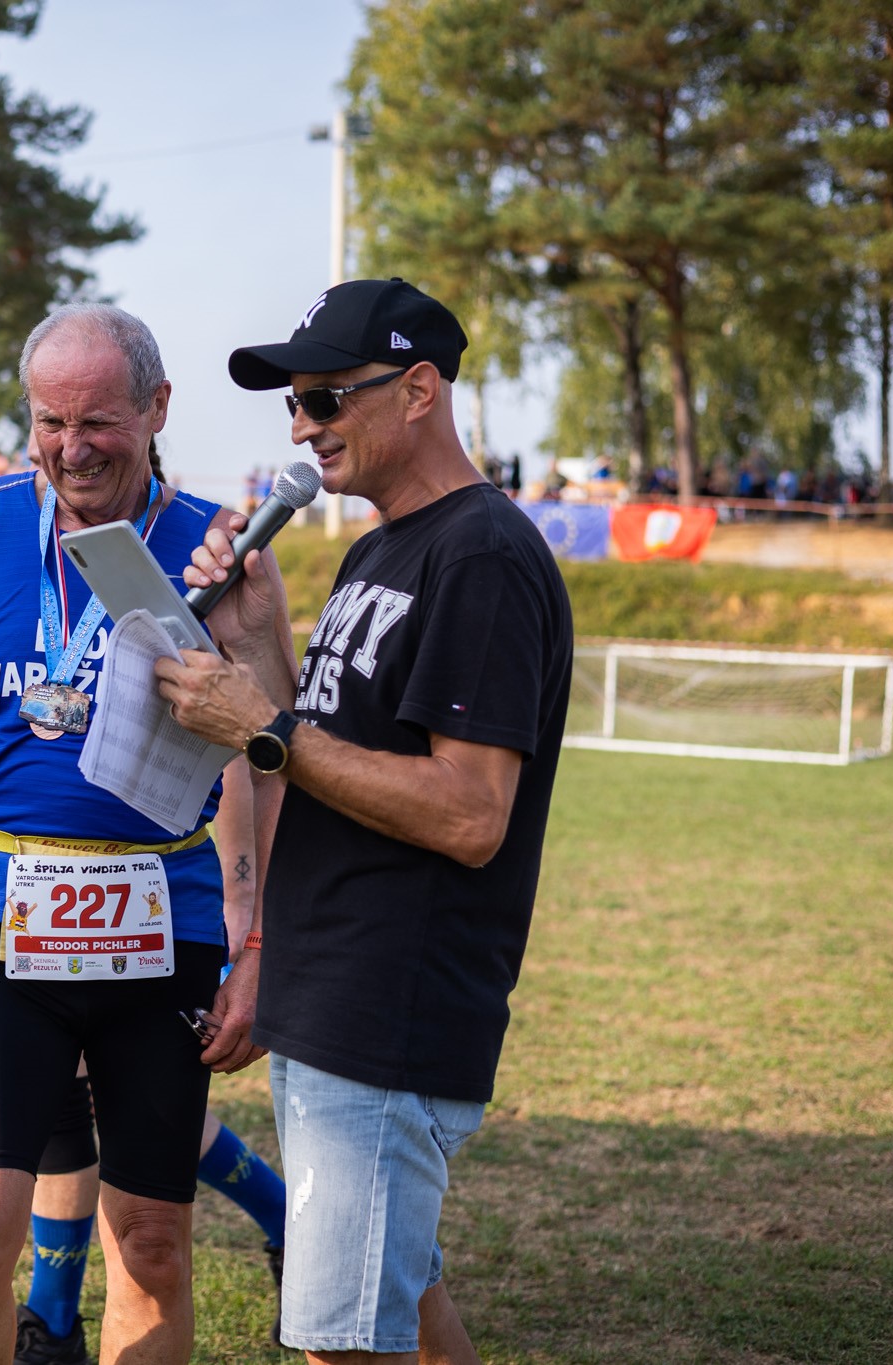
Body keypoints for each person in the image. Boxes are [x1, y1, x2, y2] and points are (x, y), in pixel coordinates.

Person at [154, 277, 574, 1364]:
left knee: (342, 1341)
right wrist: (256, 643)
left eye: (327, 399)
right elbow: (325, 740)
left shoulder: (478, 555)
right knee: (405, 1305)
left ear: (420, 391)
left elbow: (470, 812)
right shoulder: (381, 545)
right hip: (334, 985)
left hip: (389, 1007)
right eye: (292, 403)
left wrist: (260, 723)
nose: (301, 427)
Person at [0, 303, 262, 1365]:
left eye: (97, 420)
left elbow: (263, 755)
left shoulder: (223, 552)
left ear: (157, 408)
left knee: (151, 1245)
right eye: (49, 421)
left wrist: (254, 939)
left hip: (165, 932)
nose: (70, 447)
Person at [15, 754, 287, 1364]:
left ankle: (53, 1322)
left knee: (132, 1098)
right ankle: (53, 1323)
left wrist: (243, 895)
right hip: (38, 884)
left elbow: (241, 742)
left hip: (158, 890)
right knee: (67, 1088)